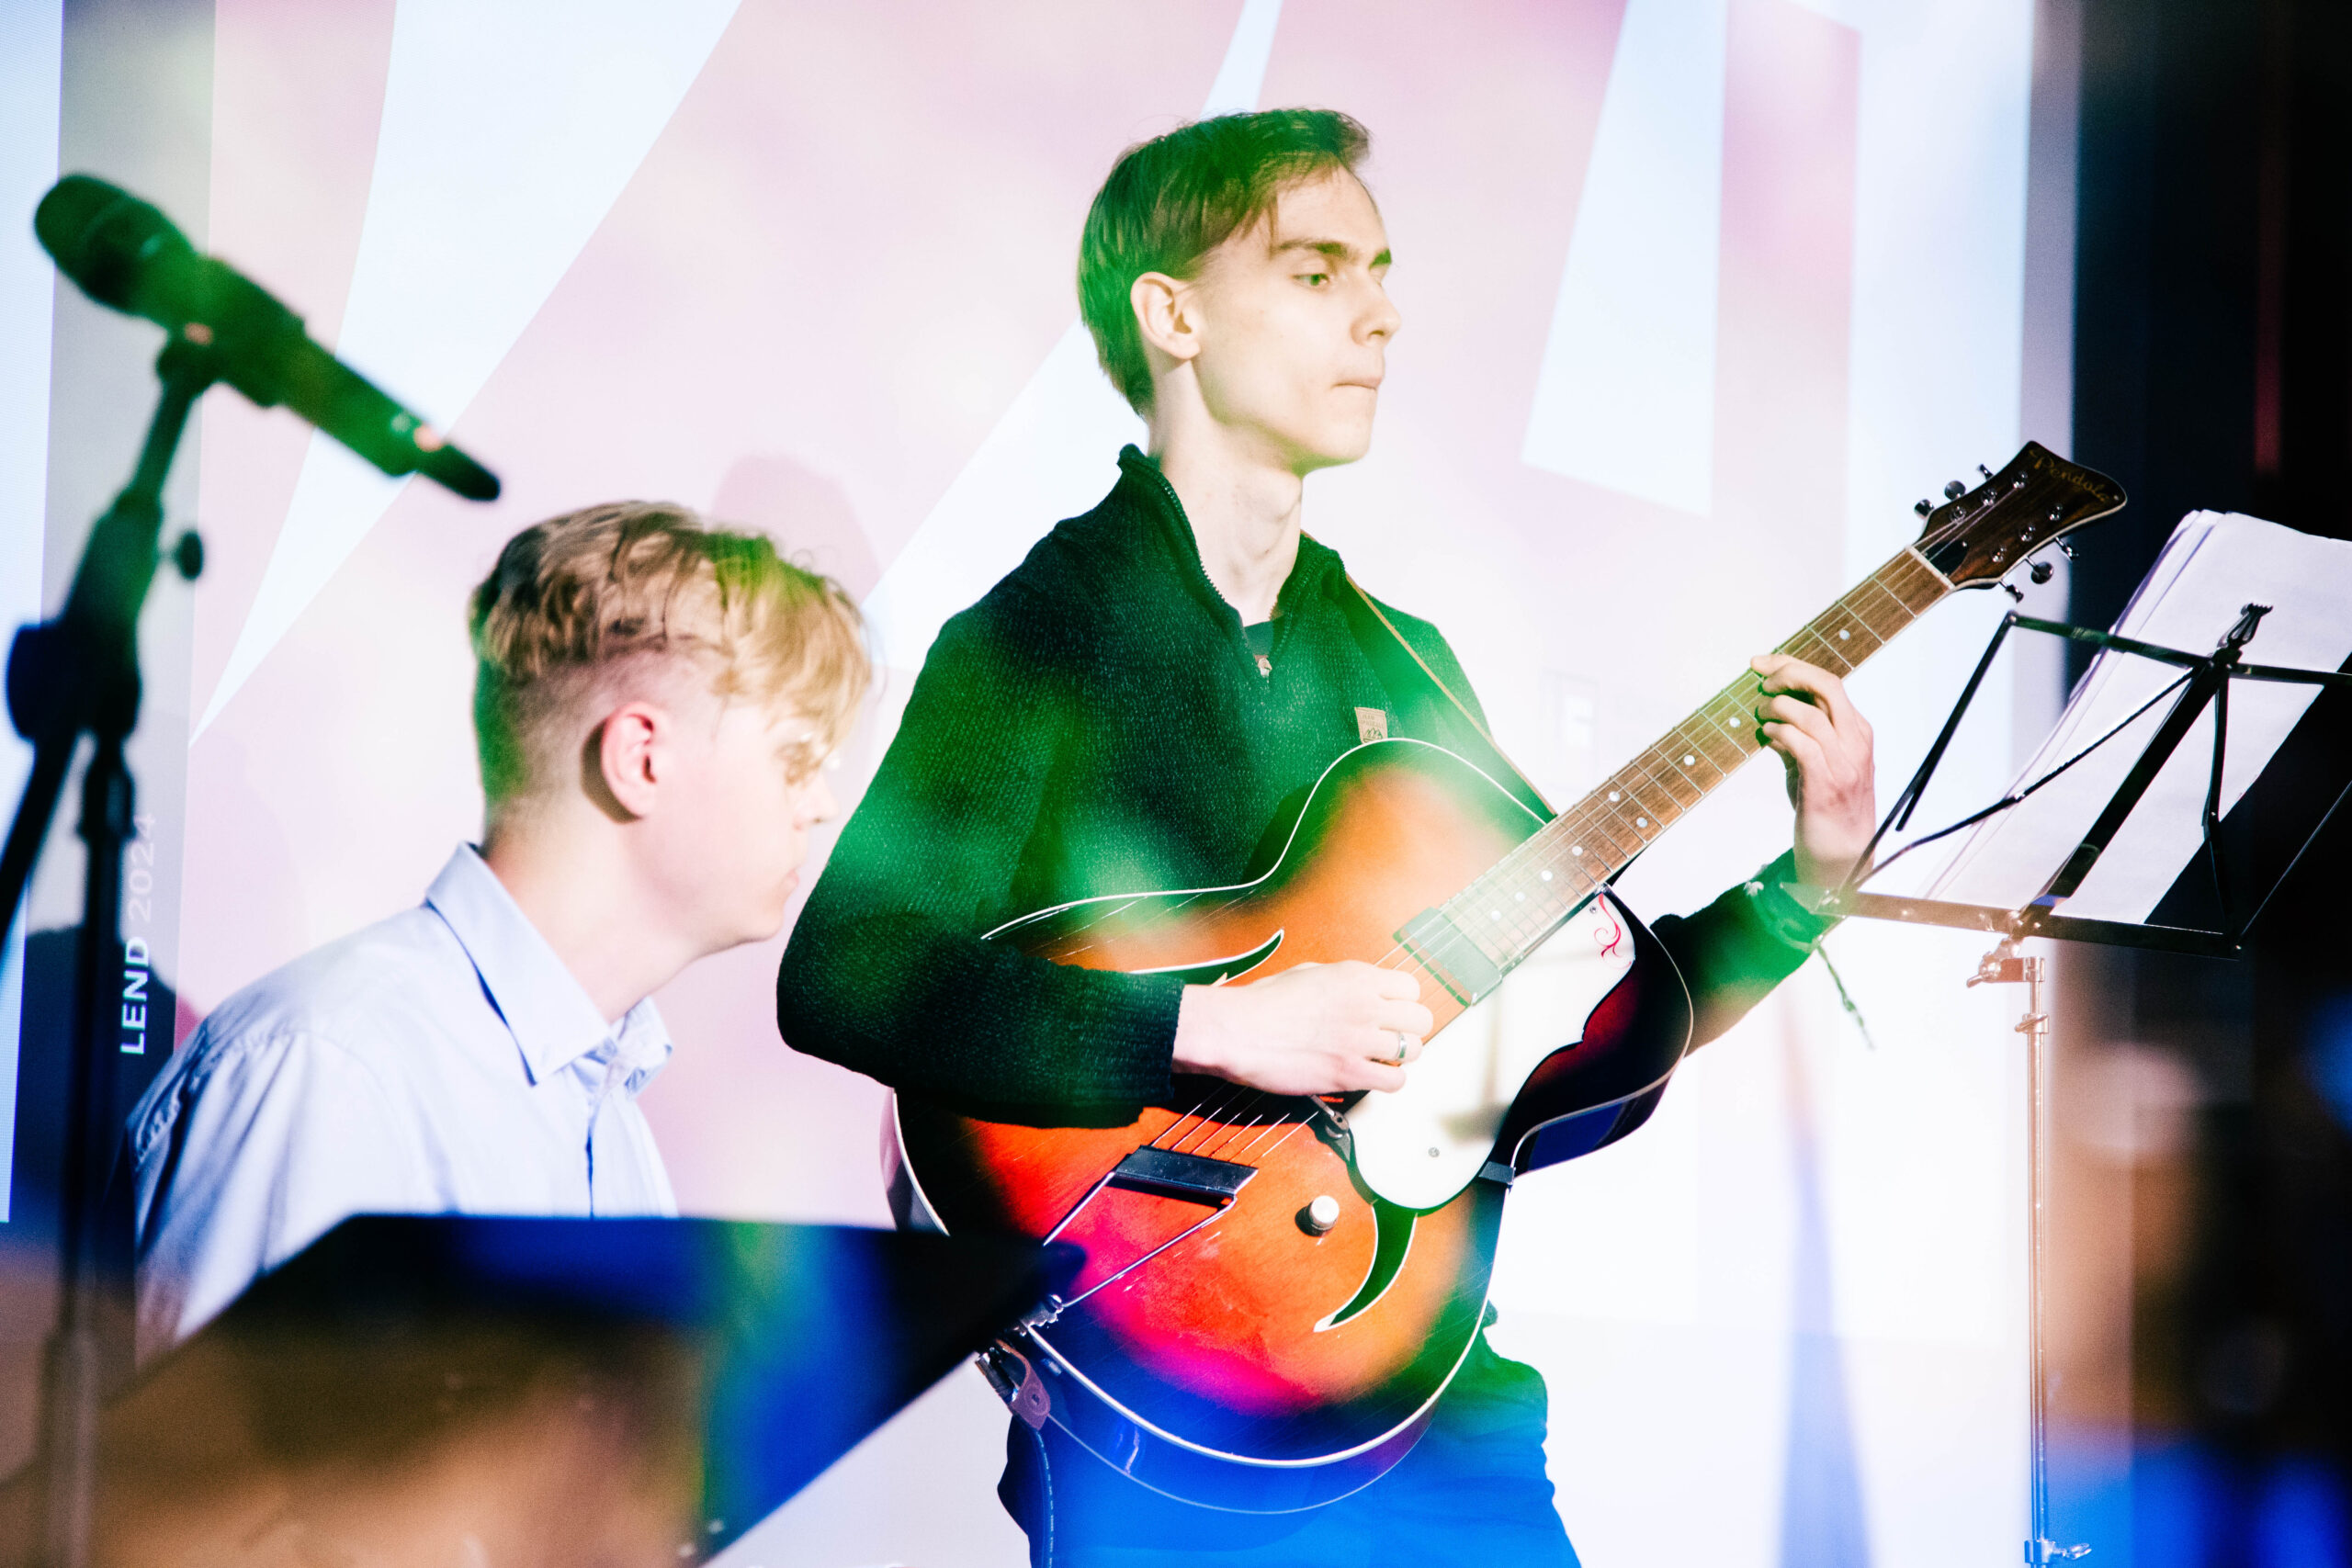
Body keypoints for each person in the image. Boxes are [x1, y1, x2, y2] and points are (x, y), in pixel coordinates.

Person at [776, 109, 1876, 1566]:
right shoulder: (1035, 636)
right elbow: (843, 973)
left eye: (1381, 270)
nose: (1379, 313)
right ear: (1171, 315)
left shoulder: (1405, 664)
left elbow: (1590, 1026)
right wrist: (1218, 1026)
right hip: (1163, 1435)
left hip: (1447, 1415)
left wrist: (1809, 886)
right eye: (1315, 271)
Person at [130, 502, 866, 1358]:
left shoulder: (610, 1119)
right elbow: (205, 1444)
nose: (820, 804)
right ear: (641, 758)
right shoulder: (330, 1071)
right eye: (795, 759)